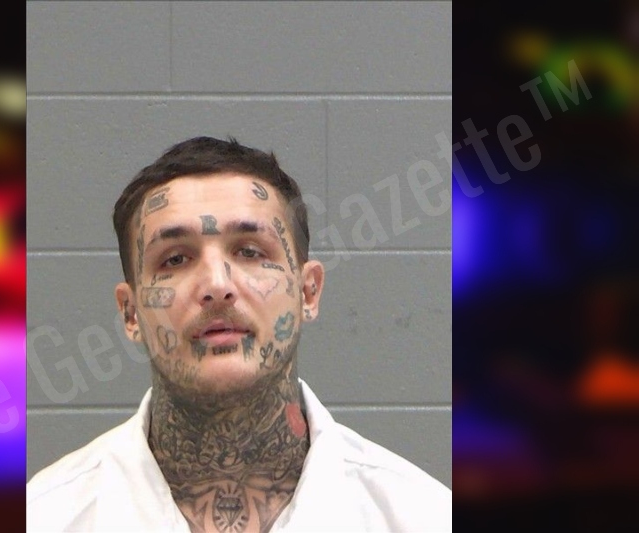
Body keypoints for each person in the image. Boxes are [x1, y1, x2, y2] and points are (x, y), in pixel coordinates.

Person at [26, 137, 451, 532]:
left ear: (307, 291)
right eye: (175, 259)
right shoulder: (44, 516)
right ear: (130, 312)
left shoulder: (423, 516)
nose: (216, 284)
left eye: (250, 251)